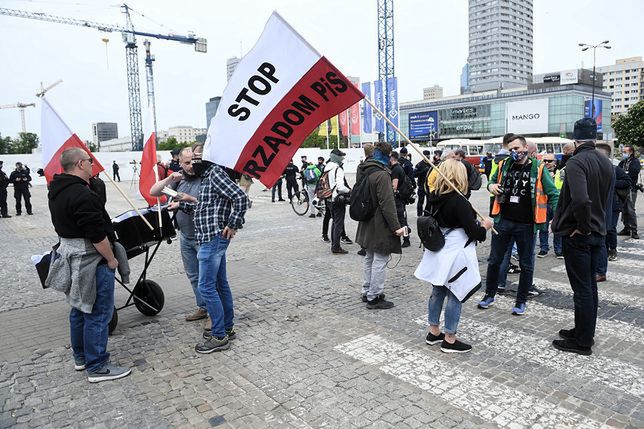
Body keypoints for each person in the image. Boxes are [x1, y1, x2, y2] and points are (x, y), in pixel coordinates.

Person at [47, 148, 131, 382]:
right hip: (90, 259)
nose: (93, 165)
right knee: (97, 311)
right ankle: (97, 366)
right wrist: (111, 259)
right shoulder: (82, 195)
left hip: (72, 254)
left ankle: (81, 358)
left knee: (79, 307)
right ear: (80, 164)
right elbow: (96, 235)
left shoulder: (56, 190)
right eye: (90, 161)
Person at [415, 159, 493, 353]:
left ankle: (433, 331)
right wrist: (485, 226)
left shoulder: (434, 195)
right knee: (456, 292)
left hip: (439, 250)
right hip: (456, 251)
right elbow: (475, 234)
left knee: (438, 290)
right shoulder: (459, 200)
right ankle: (450, 338)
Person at [178, 143, 249, 353]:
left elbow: (241, 197)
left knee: (207, 287)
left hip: (212, 238)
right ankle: (227, 328)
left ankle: (219, 336)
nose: (193, 163)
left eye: (197, 158)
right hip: (210, 236)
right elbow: (207, 207)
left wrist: (233, 224)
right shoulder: (207, 176)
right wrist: (182, 204)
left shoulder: (215, 173)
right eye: (191, 159)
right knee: (220, 285)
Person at [551, 118, 613, 356]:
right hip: (598, 231)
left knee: (582, 289)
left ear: (575, 140)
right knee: (590, 286)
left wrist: (583, 227)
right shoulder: (604, 161)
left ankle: (583, 341)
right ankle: (585, 331)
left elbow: (581, 200)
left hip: (581, 234)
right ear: (594, 138)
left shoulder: (577, 161)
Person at [478, 134, 559, 316]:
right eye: (511, 149)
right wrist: (491, 187)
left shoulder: (537, 168)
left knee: (526, 264)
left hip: (527, 224)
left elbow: (553, 193)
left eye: (517, 148)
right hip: (503, 221)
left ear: (525, 148)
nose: (514, 152)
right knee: (494, 261)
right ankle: (489, 295)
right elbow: (490, 182)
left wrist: (558, 216)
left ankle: (521, 300)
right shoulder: (503, 165)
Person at [150, 147, 207, 322]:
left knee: (209, 279)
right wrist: (169, 178)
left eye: (193, 162)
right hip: (185, 235)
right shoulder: (178, 179)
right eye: (186, 163)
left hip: (204, 236)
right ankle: (203, 307)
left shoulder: (205, 177)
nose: (190, 166)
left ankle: (214, 313)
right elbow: (154, 191)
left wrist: (186, 200)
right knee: (193, 275)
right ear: (179, 163)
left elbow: (209, 205)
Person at [355, 142, 405, 309]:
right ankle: (374, 296)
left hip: (366, 220)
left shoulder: (363, 168)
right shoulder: (382, 174)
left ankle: (366, 290)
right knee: (380, 259)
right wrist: (396, 226)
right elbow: (387, 204)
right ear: (388, 155)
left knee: (369, 257)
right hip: (379, 223)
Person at [595, 143, 631, 282]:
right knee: (603, 234)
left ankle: (611, 252)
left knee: (609, 230)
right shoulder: (598, 169)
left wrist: (612, 183)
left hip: (613, 205)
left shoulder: (614, 169)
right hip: (602, 206)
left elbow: (627, 182)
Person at [325, 148, 352, 254]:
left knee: (334, 222)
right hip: (337, 199)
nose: (342, 158)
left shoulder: (326, 168)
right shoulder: (338, 169)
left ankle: (334, 244)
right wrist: (349, 190)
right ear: (336, 157)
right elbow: (340, 187)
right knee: (338, 223)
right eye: (341, 156)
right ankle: (336, 246)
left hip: (329, 198)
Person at [536, 153, 563, 258]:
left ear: (555, 163)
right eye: (545, 161)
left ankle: (559, 249)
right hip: (544, 203)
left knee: (558, 227)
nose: (547, 163)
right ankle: (543, 248)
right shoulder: (540, 172)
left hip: (557, 203)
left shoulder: (561, 173)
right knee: (543, 227)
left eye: (549, 161)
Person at [617, 144, 640, 239]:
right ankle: (626, 228)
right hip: (622, 189)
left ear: (631, 152)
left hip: (631, 189)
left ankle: (634, 230)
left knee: (630, 210)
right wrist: (624, 175)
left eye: (625, 152)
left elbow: (633, 173)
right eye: (623, 152)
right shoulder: (623, 162)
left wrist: (624, 175)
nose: (623, 154)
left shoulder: (635, 162)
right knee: (624, 210)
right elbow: (618, 172)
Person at [390, 151, 410, 248]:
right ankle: (406, 238)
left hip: (397, 199)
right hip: (401, 197)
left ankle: (406, 239)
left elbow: (394, 186)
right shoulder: (399, 167)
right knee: (402, 219)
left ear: (392, 158)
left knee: (401, 219)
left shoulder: (395, 170)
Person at [414, 150, 433, 217]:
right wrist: (423, 171)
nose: (427, 156)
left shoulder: (431, 164)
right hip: (421, 185)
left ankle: (427, 214)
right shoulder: (419, 164)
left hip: (429, 186)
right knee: (420, 201)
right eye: (426, 155)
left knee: (429, 201)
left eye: (428, 155)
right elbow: (414, 174)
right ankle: (419, 214)